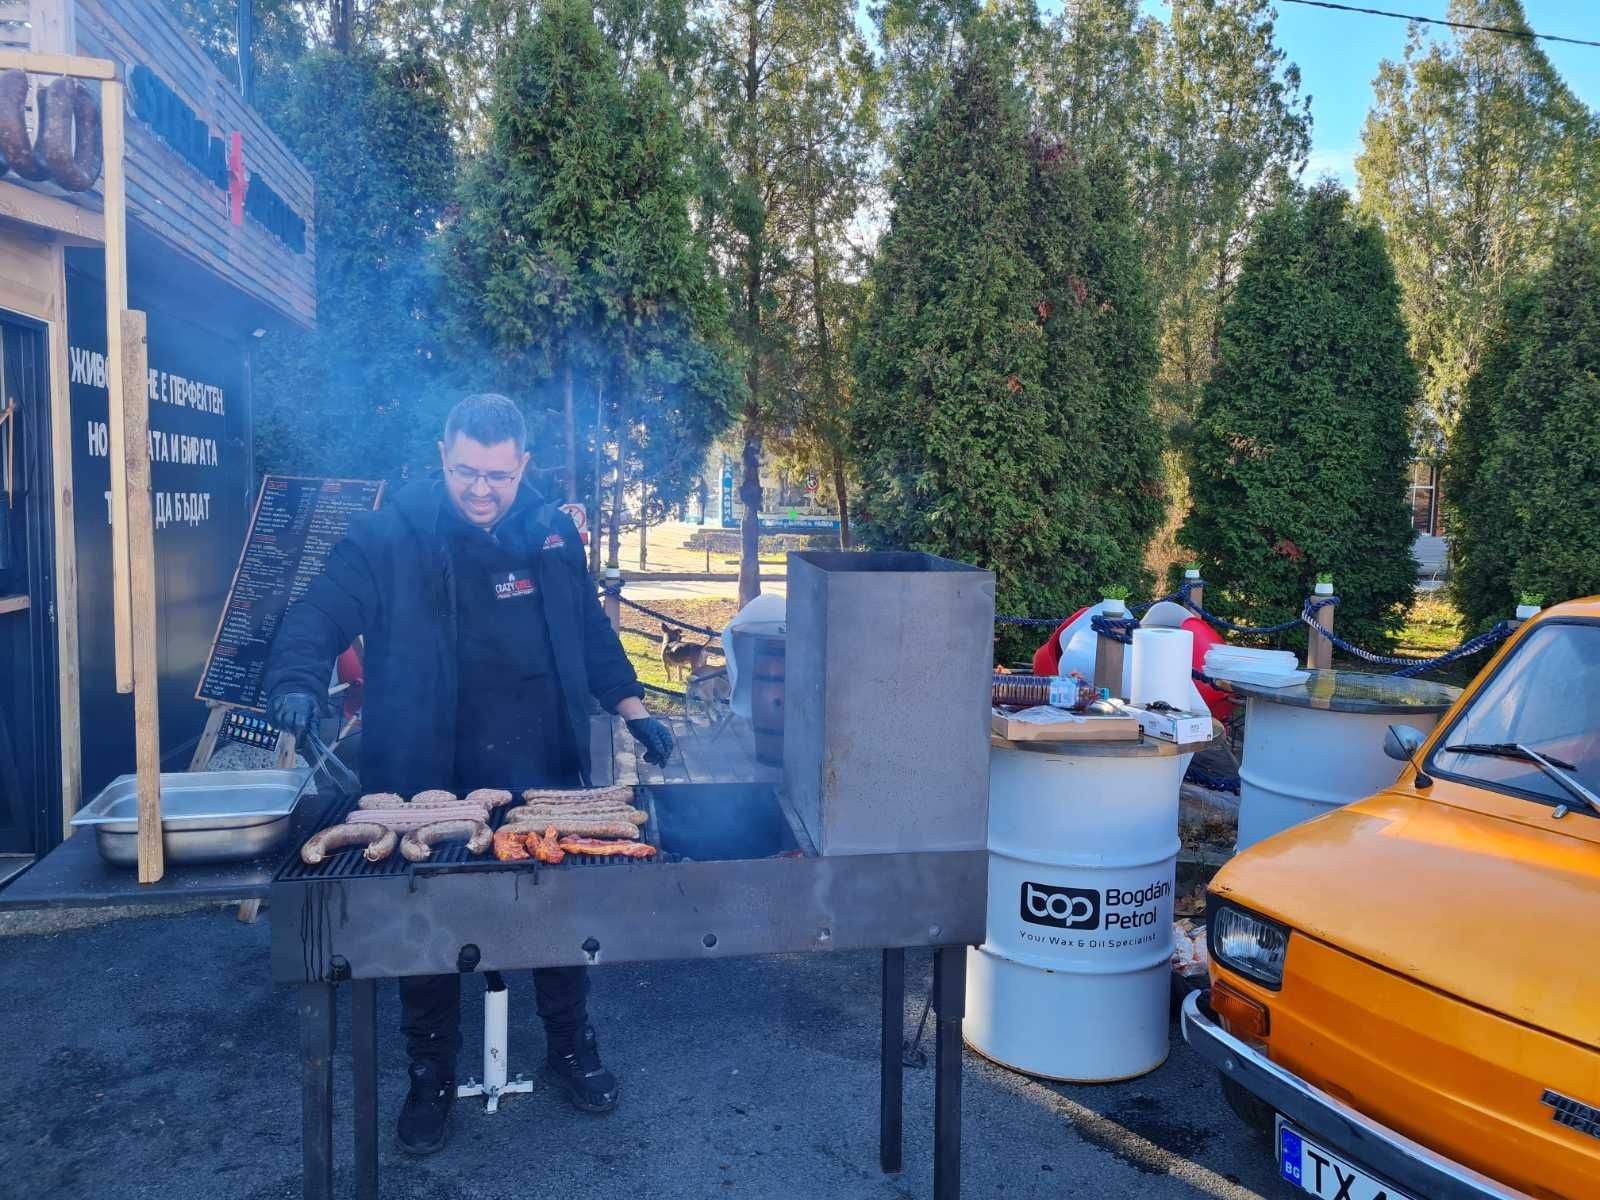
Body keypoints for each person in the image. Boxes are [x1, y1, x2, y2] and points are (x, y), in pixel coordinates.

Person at [264, 393, 674, 1156]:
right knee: (429, 924)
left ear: (523, 465)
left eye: (496, 475)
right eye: (465, 472)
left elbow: (586, 625)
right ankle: (430, 1071)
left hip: (540, 762)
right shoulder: (390, 533)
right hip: (426, 768)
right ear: (442, 454)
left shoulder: (550, 532)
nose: (480, 489)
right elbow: (318, 613)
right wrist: (294, 678)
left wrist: (632, 707)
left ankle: (570, 1045)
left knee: (556, 911)